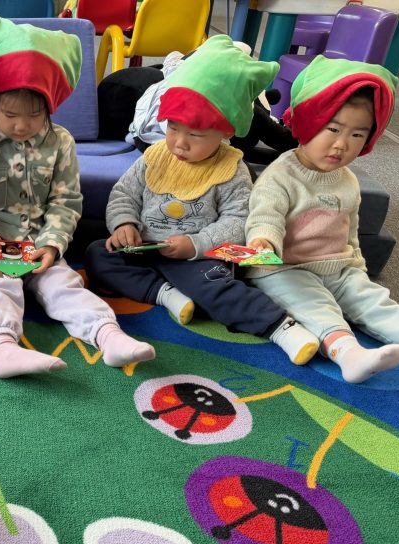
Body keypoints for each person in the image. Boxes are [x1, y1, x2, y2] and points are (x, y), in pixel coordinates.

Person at [84, 36, 320, 367]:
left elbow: (238, 221)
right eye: (172, 128)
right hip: (145, 248)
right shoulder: (155, 155)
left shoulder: (232, 169)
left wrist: (195, 244)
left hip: (196, 258)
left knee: (213, 287)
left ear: (226, 132)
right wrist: (124, 224)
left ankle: (281, 327)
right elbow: (125, 193)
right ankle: (166, 294)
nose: (179, 143)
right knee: (98, 254)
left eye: (194, 135)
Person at [0, 14, 154, 378]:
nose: (22, 125)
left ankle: (109, 336)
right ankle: (1, 347)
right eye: (10, 114)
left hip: (39, 241)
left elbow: (65, 201)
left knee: (64, 283)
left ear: (50, 107)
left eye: (35, 114)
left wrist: (53, 244)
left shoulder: (61, 142)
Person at [246, 57, 399, 382]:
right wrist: (263, 241)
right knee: (313, 305)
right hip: (284, 268)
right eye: (333, 129)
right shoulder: (281, 174)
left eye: (357, 135)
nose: (341, 144)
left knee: (374, 300)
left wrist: (357, 268)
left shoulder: (347, 180)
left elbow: (350, 231)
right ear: (308, 122)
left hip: (337, 266)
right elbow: (265, 215)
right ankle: (349, 354)